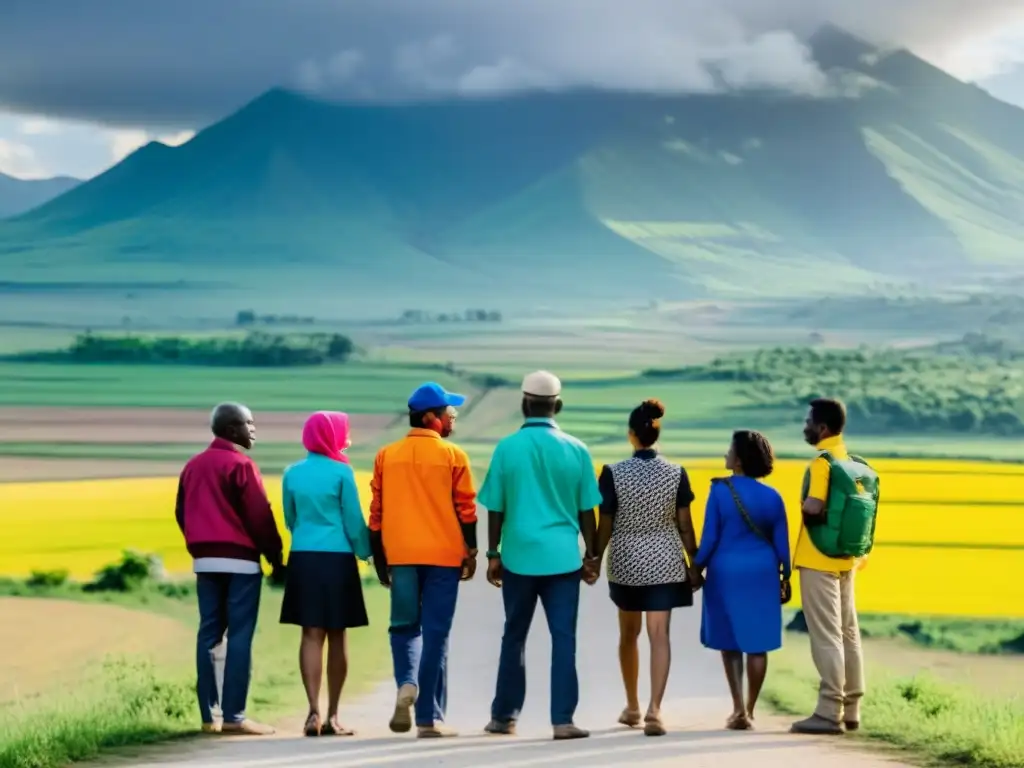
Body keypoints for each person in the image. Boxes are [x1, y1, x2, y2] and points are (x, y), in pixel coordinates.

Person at [479, 370, 602, 741]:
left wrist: (492, 553)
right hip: (564, 558)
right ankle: (563, 720)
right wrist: (592, 556)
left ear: (523, 404)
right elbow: (587, 512)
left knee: (514, 635)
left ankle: (504, 717)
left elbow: (496, 508)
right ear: (558, 406)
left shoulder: (506, 449)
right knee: (564, 638)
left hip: (518, 556)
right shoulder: (577, 449)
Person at [368, 382, 478, 739]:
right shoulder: (454, 456)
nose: (453, 420)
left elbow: (377, 513)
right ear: (431, 417)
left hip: (400, 557)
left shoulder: (386, 455)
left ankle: (406, 682)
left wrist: (380, 559)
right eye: (450, 413)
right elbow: (466, 510)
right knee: (436, 635)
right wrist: (472, 551)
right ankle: (429, 719)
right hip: (443, 558)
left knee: (403, 627)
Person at [590, 399, 701, 737]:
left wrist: (593, 557)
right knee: (659, 636)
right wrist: (694, 563)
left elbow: (605, 522)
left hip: (625, 563)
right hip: (666, 562)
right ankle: (655, 709)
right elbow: (685, 524)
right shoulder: (676, 472)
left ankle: (633, 705)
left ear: (631, 436)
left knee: (628, 635)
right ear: (656, 433)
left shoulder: (612, 472)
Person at [175, 402, 284, 736]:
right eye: (248, 423)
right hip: (240, 562)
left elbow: (181, 512)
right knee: (239, 635)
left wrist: (199, 543)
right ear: (231, 429)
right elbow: (259, 516)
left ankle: (210, 717)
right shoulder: (241, 465)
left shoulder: (193, 466)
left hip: (205, 561)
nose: (254, 429)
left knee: (208, 633)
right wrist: (275, 557)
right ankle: (235, 716)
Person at [279, 411, 372, 737]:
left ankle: (312, 712)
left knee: (310, 634)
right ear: (332, 436)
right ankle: (333, 716)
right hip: (337, 559)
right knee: (337, 634)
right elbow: (354, 522)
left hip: (303, 557)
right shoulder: (342, 473)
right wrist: (367, 553)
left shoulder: (291, 473)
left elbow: (290, 518)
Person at [692, 430, 790, 731]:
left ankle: (738, 710)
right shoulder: (773, 497)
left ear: (739, 459)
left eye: (729, 450)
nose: (725, 455)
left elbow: (709, 538)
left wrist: (695, 568)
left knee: (730, 642)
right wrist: (786, 578)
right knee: (757, 644)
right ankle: (751, 708)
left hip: (726, 573)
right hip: (762, 573)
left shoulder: (721, 491)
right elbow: (783, 546)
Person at [791, 398, 877, 736]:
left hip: (818, 559)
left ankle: (828, 712)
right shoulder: (855, 463)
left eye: (809, 421)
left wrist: (803, 506)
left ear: (822, 428)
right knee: (848, 633)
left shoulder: (822, 464)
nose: (805, 426)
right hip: (849, 559)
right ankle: (852, 708)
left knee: (826, 636)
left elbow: (813, 507)